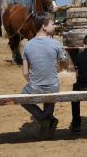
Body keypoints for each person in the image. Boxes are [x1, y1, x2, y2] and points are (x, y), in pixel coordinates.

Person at [21, 11, 67, 139]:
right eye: (52, 24)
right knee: (51, 89)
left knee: (23, 98)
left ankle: (43, 119)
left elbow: (25, 72)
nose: (54, 26)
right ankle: (48, 119)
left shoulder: (28, 45)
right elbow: (58, 67)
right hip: (53, 86)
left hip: (35, 87)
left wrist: (32, 80)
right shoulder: (56, 44)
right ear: (44, 26)